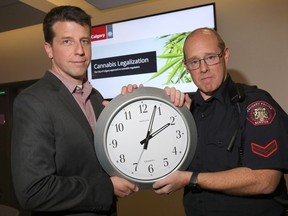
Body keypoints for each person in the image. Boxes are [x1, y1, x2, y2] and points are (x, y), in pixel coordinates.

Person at [11, 6, 141, 216]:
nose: (80, 50)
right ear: (49, 49)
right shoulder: (32, 101)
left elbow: (102, 161)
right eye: (67, 41)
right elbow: (33, 191)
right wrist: (106, 188)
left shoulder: (97, 98)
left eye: (85, 41)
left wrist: (134, 112)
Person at [152, 27, 288, 216]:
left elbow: (265, 179)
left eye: (210, 57)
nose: (203, 68)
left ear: (225, 55)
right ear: (186, 66)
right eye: (194, 61)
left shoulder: (255, 104)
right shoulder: (183, 112)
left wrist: (190, 179)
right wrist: (133, 99)